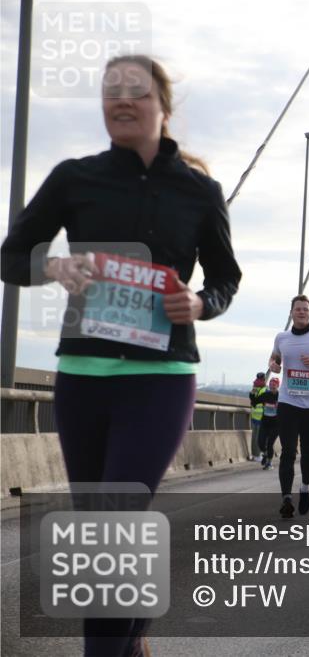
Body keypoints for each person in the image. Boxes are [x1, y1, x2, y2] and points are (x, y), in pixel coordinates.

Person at [0, 54, 241, 657]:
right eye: (111, 91)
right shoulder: (74, 178)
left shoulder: (200, 192)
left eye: (136, 90)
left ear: (162, 105)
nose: (122, 100)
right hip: (83, 377)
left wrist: (200, 303)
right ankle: (131, 640)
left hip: (161, 377)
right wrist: (53, 266)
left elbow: (226, 278)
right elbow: (11, 256)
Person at [269, 295, 309, 519]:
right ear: (291, 313)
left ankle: (305, 488)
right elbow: (274, 358)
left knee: (308, 452)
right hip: (288, 402)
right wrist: (273, 365)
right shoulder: (282, 337)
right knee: (288, 451)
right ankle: (286, 499)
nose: (301, 312)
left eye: (305, 309)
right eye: (297, 309)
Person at [256, 377, 281, 470]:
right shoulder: (265, 395)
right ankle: (265, 454)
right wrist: (255, 390)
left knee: (270, 443)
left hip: (276, 424)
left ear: (278, 386)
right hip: (265, 422)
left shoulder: (281, 397)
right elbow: (255, 401)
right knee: (260, 442)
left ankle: (269, 463)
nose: (272, 386)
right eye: (271, 384)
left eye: (274, 384)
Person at [249, 372, 266, 460]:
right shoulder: (264, 389)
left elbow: (252, 399)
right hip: (260, 417)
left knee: (255, 437)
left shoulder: (256, 388)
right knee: (258, 437)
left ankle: (255, 455)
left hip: (256, 416)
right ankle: (257, 455)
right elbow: (253, 399)